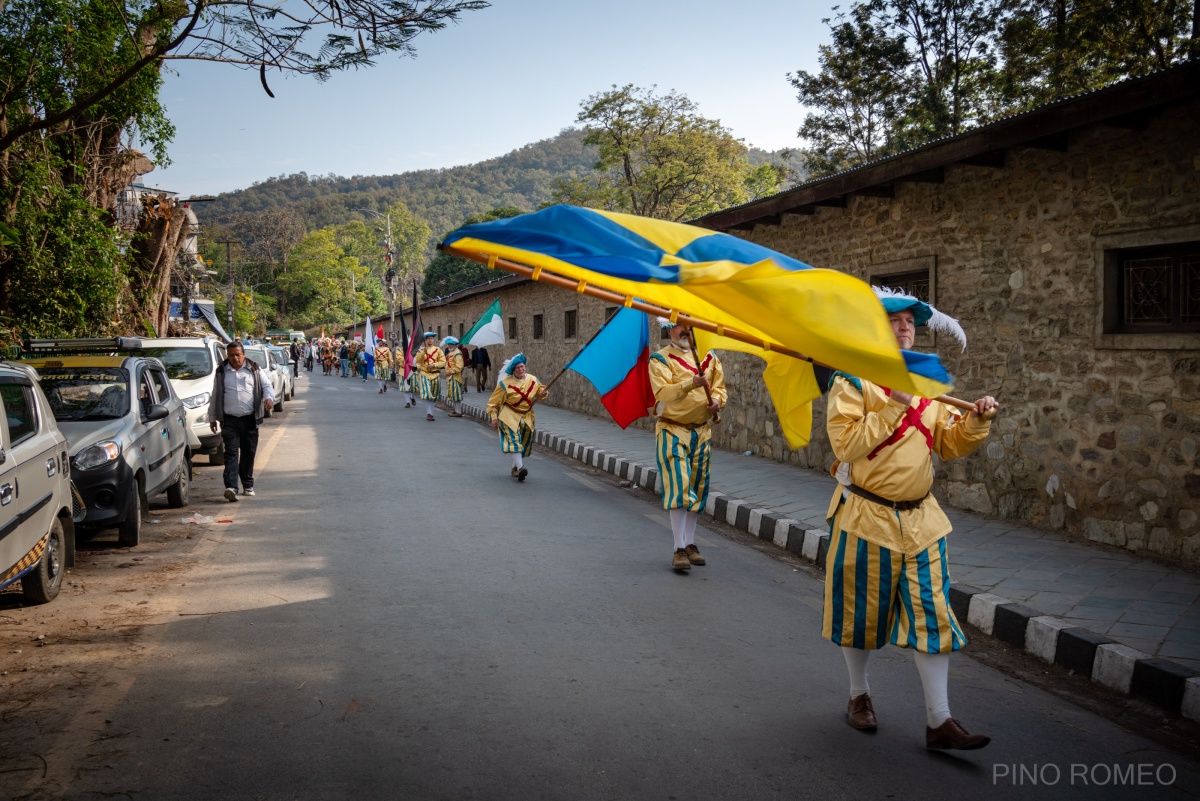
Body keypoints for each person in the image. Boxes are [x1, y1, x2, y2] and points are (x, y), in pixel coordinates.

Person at [823, 286, 998, 751]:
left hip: (923, 522)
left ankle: (939, 720)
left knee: (933, 616)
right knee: (859, 615)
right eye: (894, 320)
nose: (905, 327)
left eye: (910, 321)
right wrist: (896, 402)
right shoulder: (852, 381)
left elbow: (948, 443)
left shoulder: (928, 378)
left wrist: (976, 421)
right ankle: (859, 696)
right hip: (865, 518)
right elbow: (846, 445)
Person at [648, 318, 727, 572]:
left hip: (702, 431)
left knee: (698, 487)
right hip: (672, 429)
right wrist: (690, 383)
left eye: (689, 325)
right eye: (680, 325)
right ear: (669, 328)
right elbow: (662, 393)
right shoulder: (660, 360)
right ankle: (678, 548)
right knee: (680, 486)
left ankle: (691, 544)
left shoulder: (710, 357)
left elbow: (720, 389)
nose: (686, 330)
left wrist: (716, 402)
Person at [207, 341, 275, 501]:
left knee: (248, 453)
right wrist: (212, 417)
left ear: (243, 354)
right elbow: (215, 395)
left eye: (238, 354)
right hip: (229, 420)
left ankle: (248, 484)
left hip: (250, 420)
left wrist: (269, 398)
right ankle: (231, 487)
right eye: (231, 355)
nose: (235, 358)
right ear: (227, 356)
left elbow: (267, 386)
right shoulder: (221, 371)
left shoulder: (254, 369)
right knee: (230, 453)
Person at [486, 353, 547, 481]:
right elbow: (493, 403)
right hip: (509, 414)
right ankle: (520, 468)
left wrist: (543, 393)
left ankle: (515, 468)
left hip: (526, 415)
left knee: (523, 442)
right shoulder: (504, 384)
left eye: (522, 366)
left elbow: (540, 391)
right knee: (514, 440)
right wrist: (494, 417)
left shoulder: (533, 380)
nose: (521, 369)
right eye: (517, 368)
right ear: (513, 370)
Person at [415, 332, 446, 421]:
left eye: (431, 338)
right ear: (425, 340)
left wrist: (434, 365)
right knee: (427, 393)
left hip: (435, 374)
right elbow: (418, 361)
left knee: (433, 395)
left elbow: (443, 362)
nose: (430, 340)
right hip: (425, 374)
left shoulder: (438, 350)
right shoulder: (421, 350)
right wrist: (423, 353)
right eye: (428, 338)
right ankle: (429, 413)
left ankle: (431, 413)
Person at [442, 336, 466, 416]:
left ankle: (458, 411)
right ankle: (456, 410)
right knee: (452, 394)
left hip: (455, 377)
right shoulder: (450, 353)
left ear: (455, 345)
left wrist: (451, 372)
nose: (449, 346)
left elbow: (459, 366)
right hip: (450, 377)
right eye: (448, 344)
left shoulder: (457, 354)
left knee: (456, 395)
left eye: (451, 344)